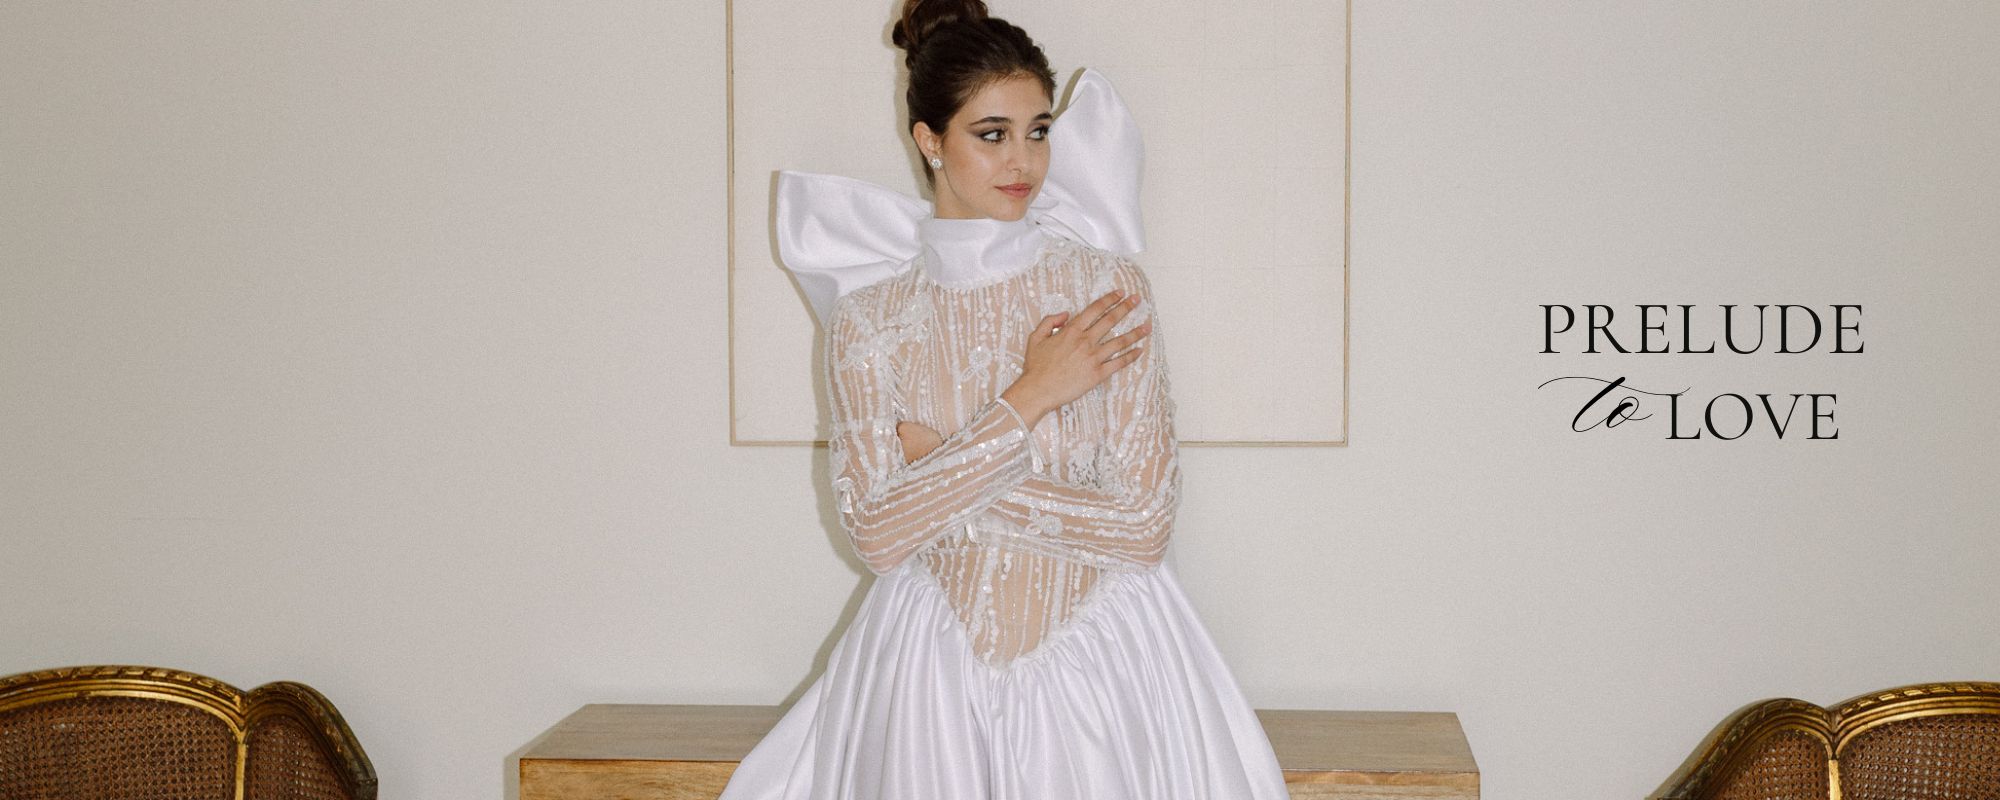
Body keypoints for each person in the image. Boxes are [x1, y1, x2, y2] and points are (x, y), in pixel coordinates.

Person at [717, 1, 1290, 797]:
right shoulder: (869, 319)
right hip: (929, 682)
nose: (1024, 161)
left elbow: (1143, 530)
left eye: (1038, 130)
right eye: (992, 135)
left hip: (1106, 670)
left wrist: (943, 469)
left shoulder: (1106, 289)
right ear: (930, 140)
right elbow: (878, 537)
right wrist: (1029, 398)